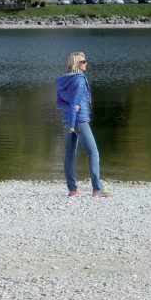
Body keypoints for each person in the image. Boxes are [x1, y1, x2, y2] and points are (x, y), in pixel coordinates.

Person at [55, 51, 109, 197]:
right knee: (93, 154)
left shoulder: (65, 80)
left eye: (85, 61)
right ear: (76, 64)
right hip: (78, 121)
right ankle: (97, 189)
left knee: (69, 156)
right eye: (83, 61)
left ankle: (72, 190)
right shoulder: (79, 80)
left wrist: (70, 120)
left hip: (67, 120)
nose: (86, 64)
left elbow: (60, 101)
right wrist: (73, 124)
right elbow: (74, 104)